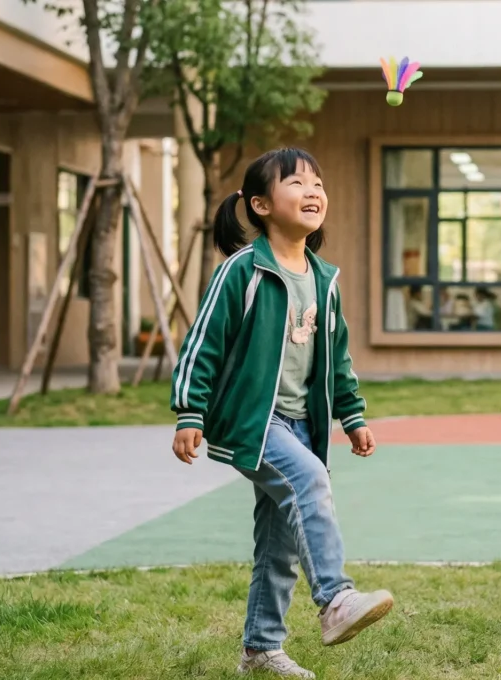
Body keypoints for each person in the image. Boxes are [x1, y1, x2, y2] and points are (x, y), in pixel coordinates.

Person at [170, 148, 394, 678]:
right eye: (297, 182)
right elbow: (203, 346)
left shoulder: (323, 279)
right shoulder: (241, 272)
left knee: (279, 543)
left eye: (318, 182)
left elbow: (336, 358)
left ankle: (260, 648)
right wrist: (189, 413)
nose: (313, 190)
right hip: (253, 422)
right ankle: (336, 599)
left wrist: (353, 416)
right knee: (309, 481)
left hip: (300, 424)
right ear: (261, 204)